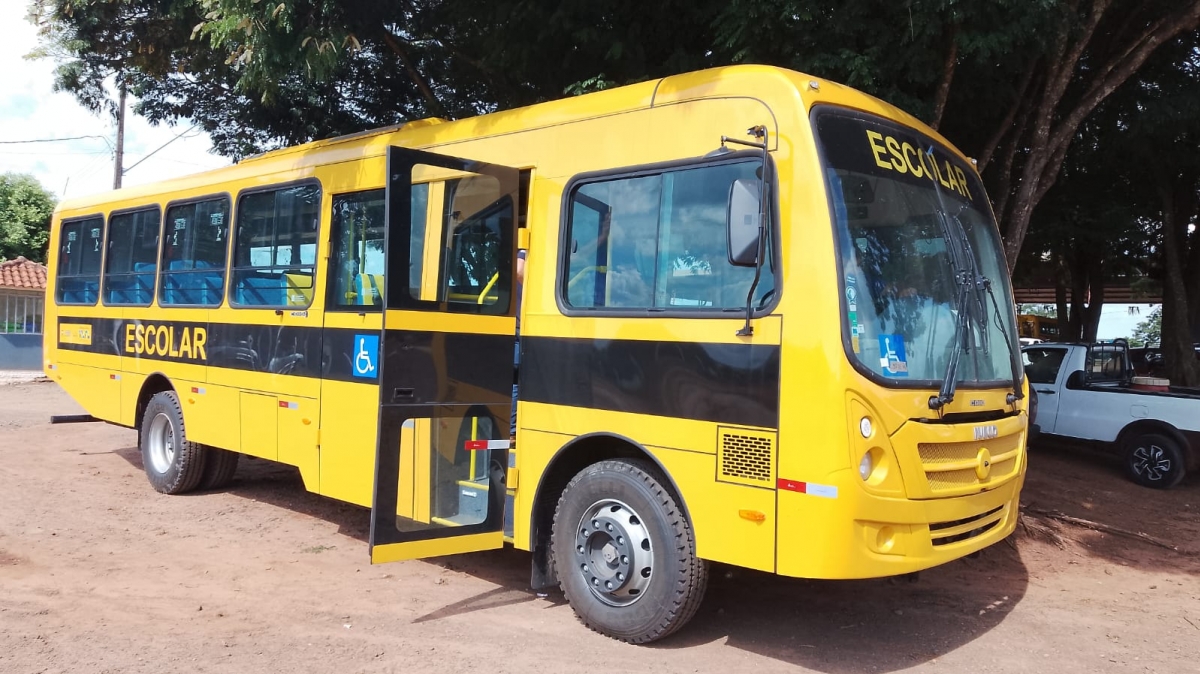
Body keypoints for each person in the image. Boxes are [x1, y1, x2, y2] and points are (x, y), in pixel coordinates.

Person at [510, 249, 526, 439]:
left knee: (515, 381)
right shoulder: (525, 252)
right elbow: (519, 270)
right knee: (516, 381)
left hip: (517, 327)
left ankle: (512, 430)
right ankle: (513, 430)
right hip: (521, 328)